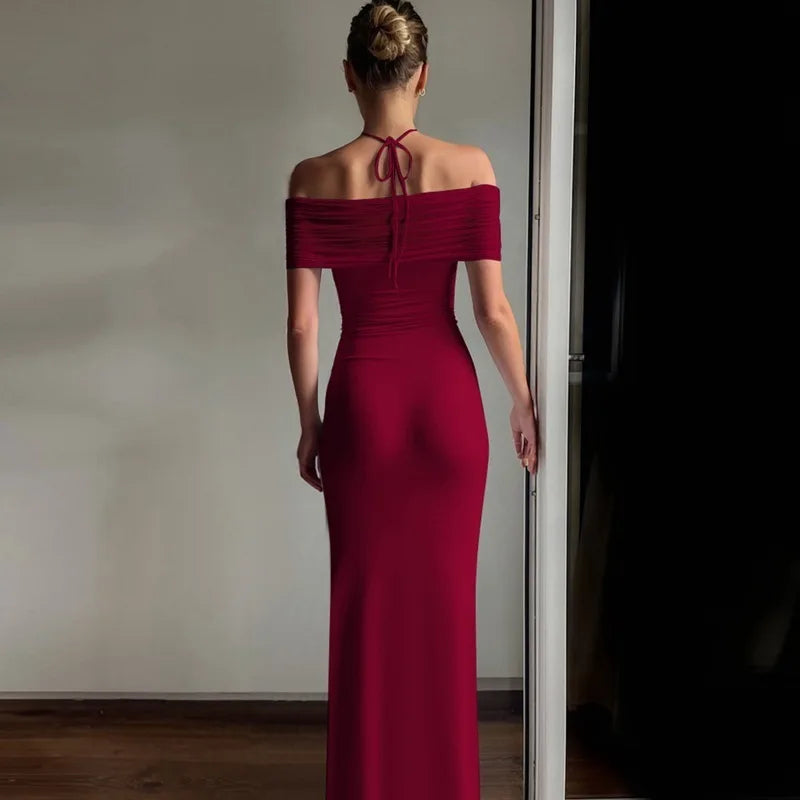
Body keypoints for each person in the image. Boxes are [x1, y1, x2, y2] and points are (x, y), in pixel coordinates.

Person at [284, 2, 538, 797]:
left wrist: (311, 424)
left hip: (364, 408)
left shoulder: (312, 178)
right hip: (448, 410)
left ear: (351, 77)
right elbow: (492, 311)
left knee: (364, 612)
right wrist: (523, 399)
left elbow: (301, 328)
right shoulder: (472, 166)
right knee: (442, 618)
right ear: (423, 75)